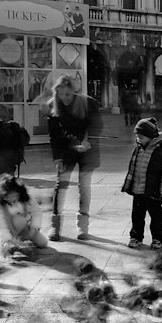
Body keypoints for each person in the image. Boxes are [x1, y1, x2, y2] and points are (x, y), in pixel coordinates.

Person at [47, 74, 103, 241]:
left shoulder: (88, 103)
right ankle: (55, 227)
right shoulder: (53, 106)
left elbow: (97, 125)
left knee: (84, 187)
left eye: (68, 94)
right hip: (66, 151)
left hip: (87, 150)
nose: (65, 98)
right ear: (56, 92)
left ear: (74, 92)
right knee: (61, 185)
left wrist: (88, 141)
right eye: (61, 94)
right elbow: (54, 136)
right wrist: (57, 158)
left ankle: (82, 227)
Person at [121, 117, 162, 250]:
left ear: (151, 137)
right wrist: (130, 185)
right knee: (137, 215)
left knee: (156, 216)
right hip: (138, 189)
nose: (138, 140)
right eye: (137, 137)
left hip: (153, 190)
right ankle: (136, 236)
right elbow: (133, 168)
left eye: (141, 137)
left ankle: (157, 238)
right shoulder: (139, 148)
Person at [0, 175, 48, 256]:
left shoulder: (27, 199)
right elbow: (1, 225)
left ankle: (22, 241)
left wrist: (33, 228)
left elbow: (36, 213)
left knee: (43, 243)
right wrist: (7, 239)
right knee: (19, 220)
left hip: (25, 228)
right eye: (6, 196)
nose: (9, 198)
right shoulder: (0, 205)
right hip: (10, 230)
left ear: (19, 193)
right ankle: (14, 244)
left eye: (12, 195)